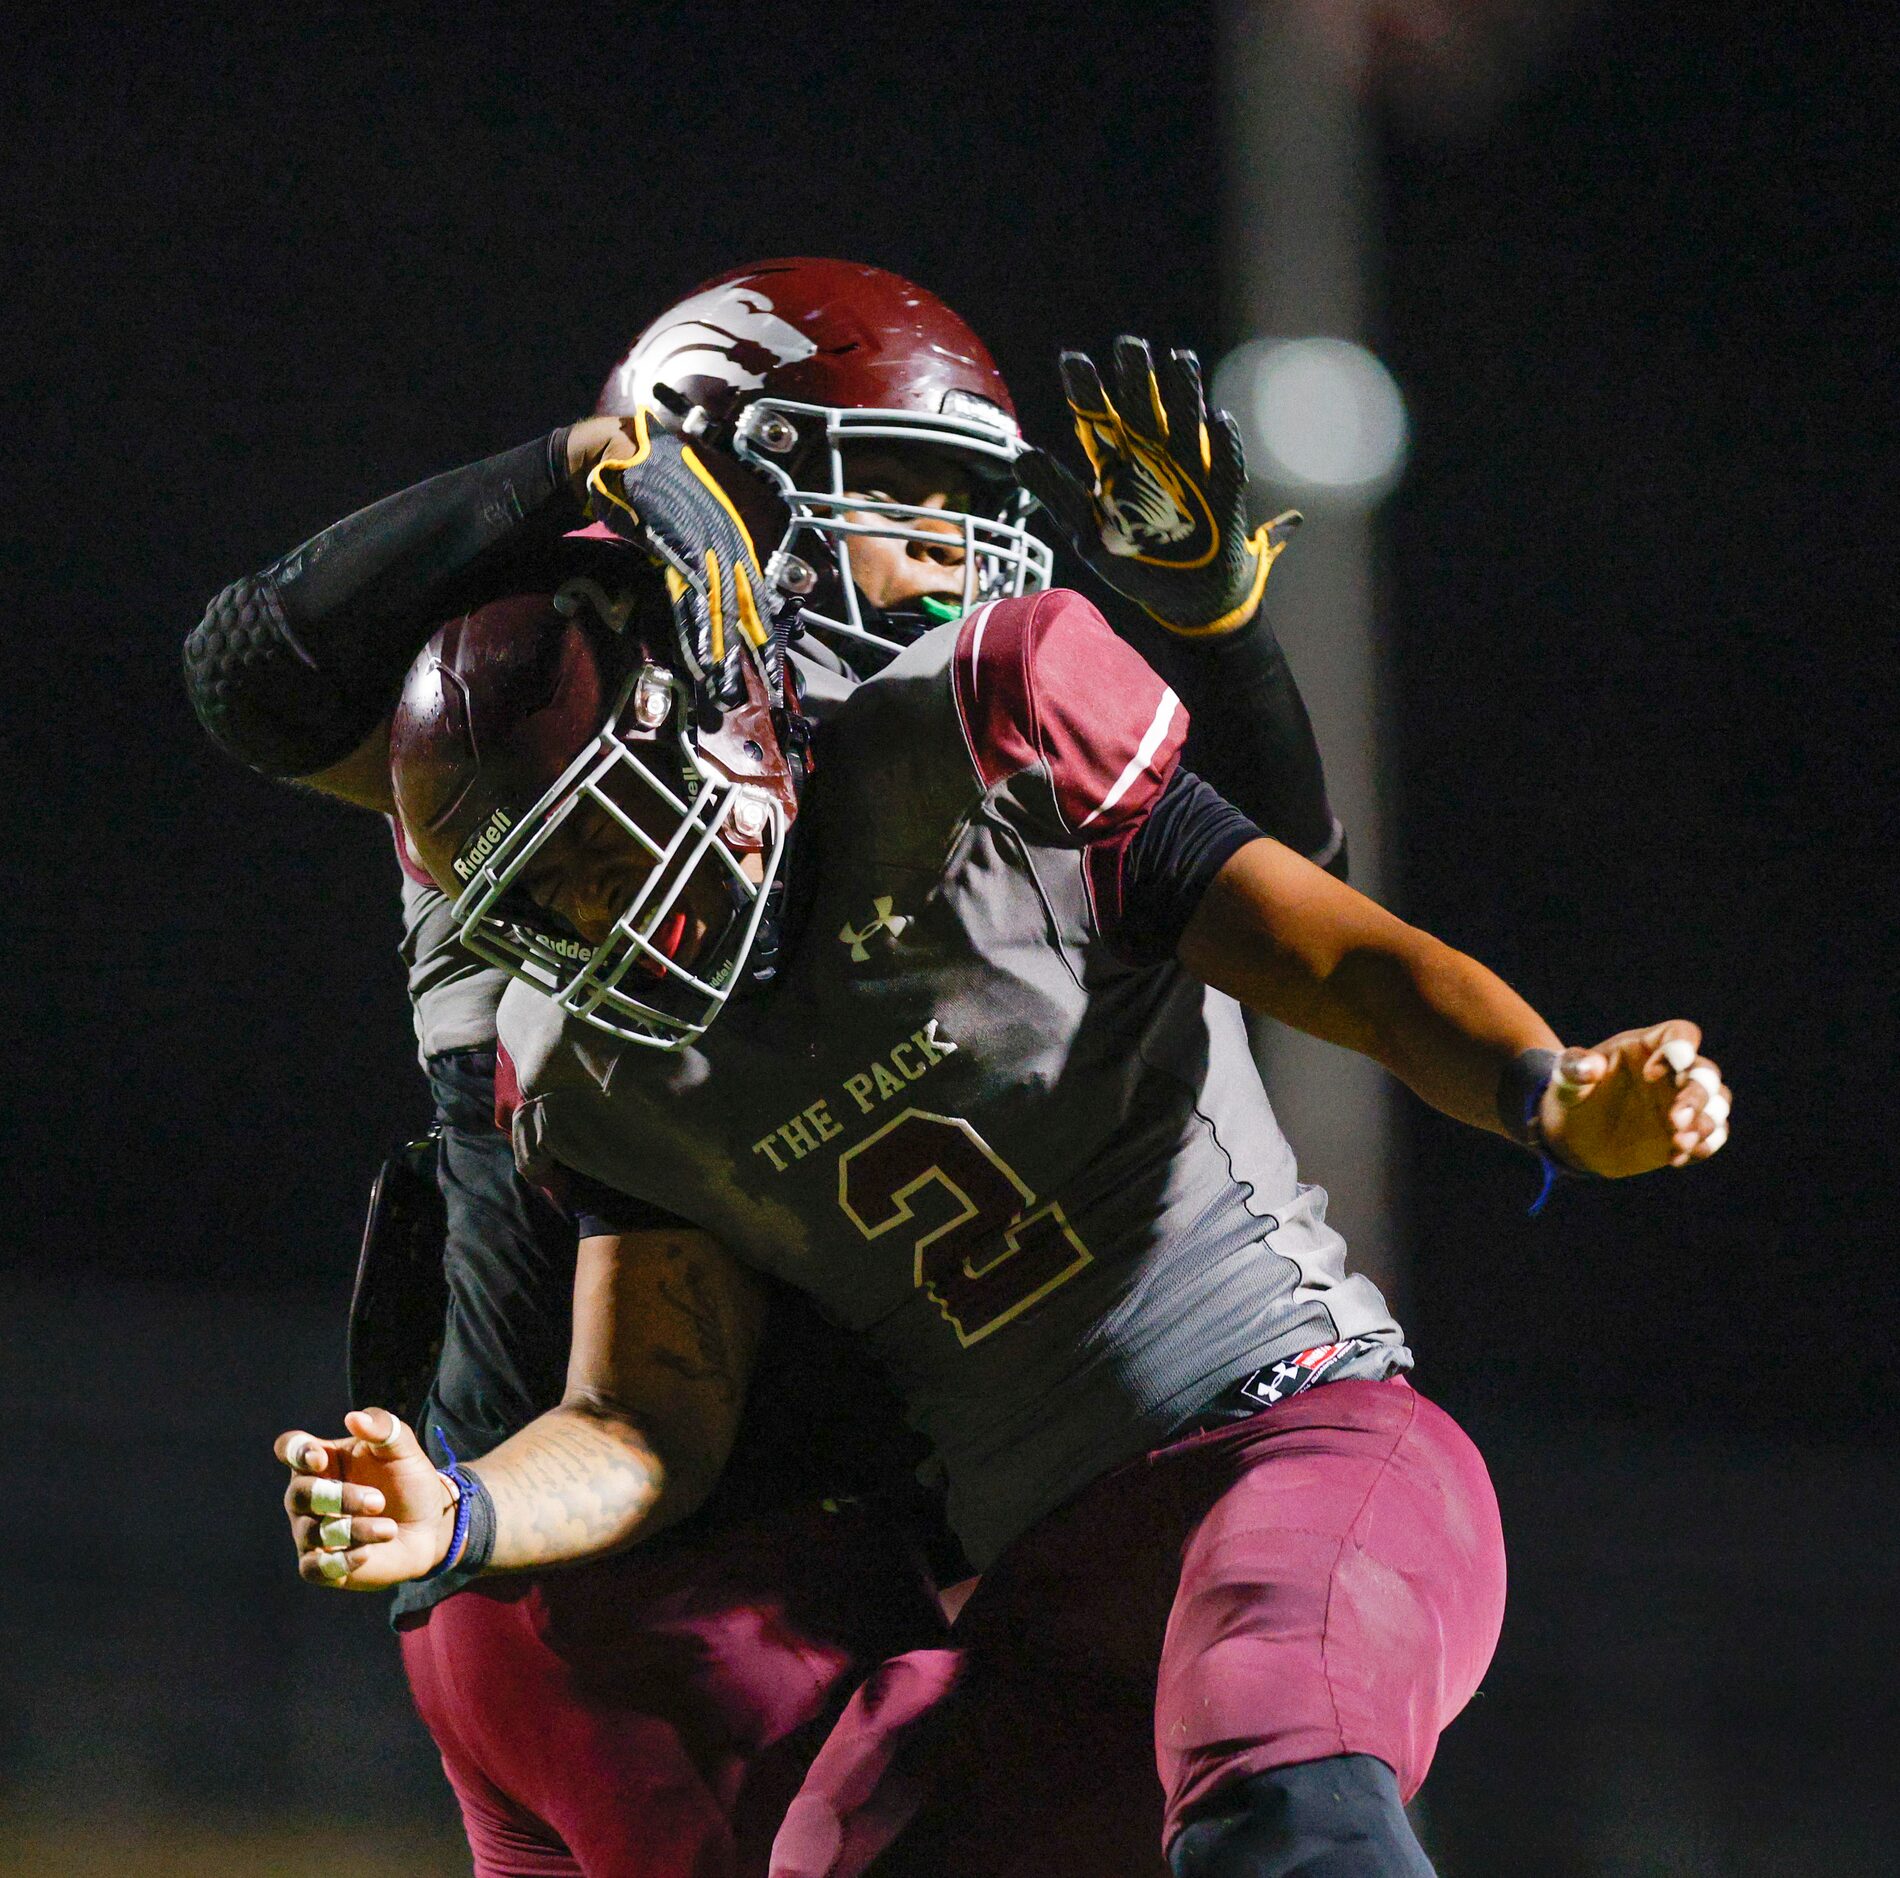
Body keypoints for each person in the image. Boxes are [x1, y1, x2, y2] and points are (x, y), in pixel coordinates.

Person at [273, 382, 1731, 1876]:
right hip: (1047, 1579)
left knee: (1280, 1798)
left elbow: (1340, 953)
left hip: (1288, 1437)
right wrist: (460, 1509)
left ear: (721, 709)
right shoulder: (601, 1068)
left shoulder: (974, 741)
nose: (610, 909)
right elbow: (644, 1418)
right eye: (553, 894)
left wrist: (1544, 1087)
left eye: (609, 836)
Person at [189, 259, 1354, 1875]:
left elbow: (1270, 895)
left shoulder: (884, 747)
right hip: (673, 1568)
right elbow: (254, 671)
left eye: (965, 499)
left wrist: (1217, 637)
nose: (953, 549)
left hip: (576, 1568)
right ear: (717, 466)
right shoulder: (578, 691)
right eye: (897, 488)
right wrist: (588, 461)